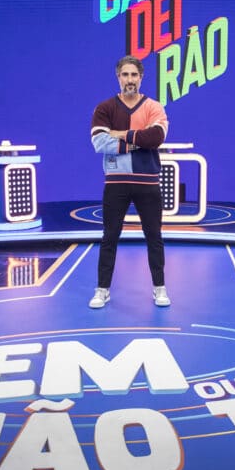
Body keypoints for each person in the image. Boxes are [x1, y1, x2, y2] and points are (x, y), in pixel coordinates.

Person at [88, 55, 170, 309]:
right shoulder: (105, 108)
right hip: (116, 183)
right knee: (109, 237)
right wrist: (138, 140)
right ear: (118, 77)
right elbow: (100, 143)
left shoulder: (154, 107)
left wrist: (121, 134)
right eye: (125, 74)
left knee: (154, 236)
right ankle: (102, 290)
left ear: (141, 78)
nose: (130, 79)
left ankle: (159, 288)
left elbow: (156, 138)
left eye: (134, 74)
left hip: (148, 181)